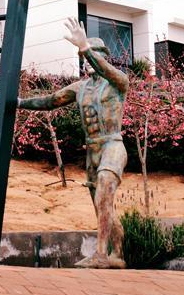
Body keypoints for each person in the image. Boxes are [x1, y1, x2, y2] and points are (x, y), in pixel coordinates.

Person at [18, 18, 128, 267]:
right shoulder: (81, 88)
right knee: (103, 204)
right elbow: (51, 100)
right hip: (93, 149)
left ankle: (100, 255)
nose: (87, 60)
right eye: (85, 54)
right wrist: (19, 102)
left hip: (112, 144)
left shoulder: (118, 82)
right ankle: (119, 252)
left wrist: (85, 47)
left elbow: (104, 69)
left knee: (103, 194)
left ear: (101, 56)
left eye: (92, 53)